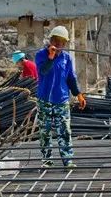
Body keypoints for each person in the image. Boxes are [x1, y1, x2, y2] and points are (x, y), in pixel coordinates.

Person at [34, 26, 86, 168]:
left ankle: (67, 160)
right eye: (56, 41)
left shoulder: (67, 59)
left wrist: (78, 95)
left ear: (65, 44)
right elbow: (43, 71)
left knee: (64, 130)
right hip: (44, 100)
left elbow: (71, 78)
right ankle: (47, 160)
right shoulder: (40, 55)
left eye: (62, 42)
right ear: (50, 41)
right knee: (45, 131)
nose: (58, 44)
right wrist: (50, 58)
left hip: (61, 100)